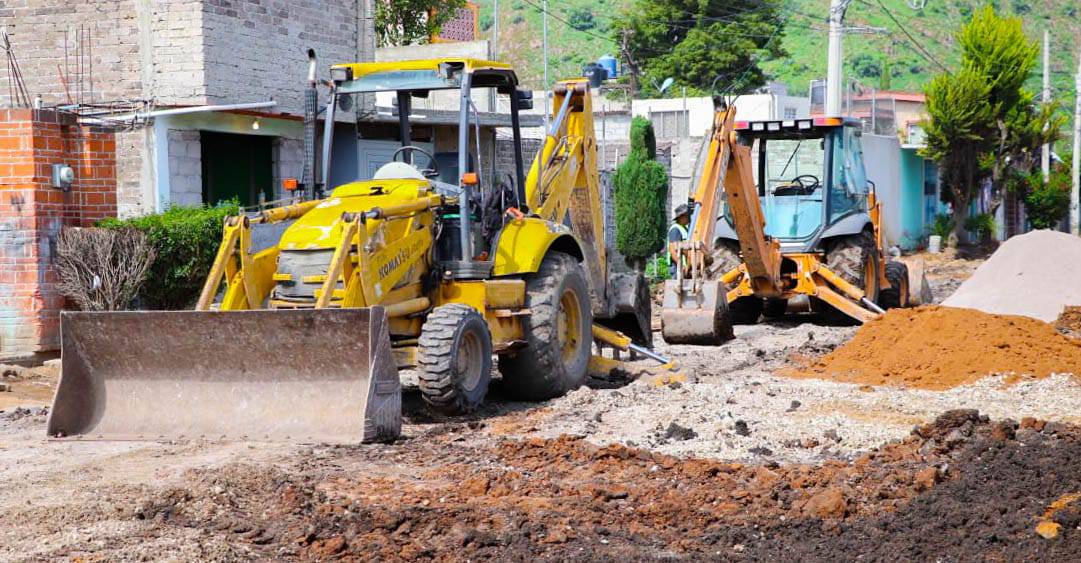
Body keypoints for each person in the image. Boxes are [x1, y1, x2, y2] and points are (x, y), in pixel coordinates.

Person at [667, 203, 691, 278]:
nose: (689, 218)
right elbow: (672, 250)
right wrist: (681, 265)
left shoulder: (684, 228)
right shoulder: (675, 229)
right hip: (677, 267)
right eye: (687, 216)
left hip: (684, 266)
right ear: (681, 217)